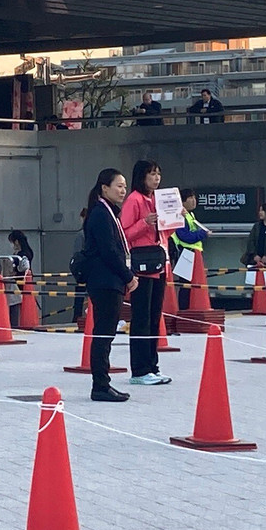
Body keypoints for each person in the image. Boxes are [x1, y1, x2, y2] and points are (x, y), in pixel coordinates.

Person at [82, 168, 138, 402]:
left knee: (106, 334)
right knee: (103, 334)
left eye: (125, 186)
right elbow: (109, 252)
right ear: (104, 188)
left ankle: (104, 383)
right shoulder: (100, 214)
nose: (123, 190)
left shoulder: (109, 213)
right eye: (119, 186)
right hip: (105, 281)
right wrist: (128, 276)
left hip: (109, 280)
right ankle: (100, 385)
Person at [119, 160, 171, 386]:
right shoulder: (134, 200)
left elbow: (166, 232)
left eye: (158, 174)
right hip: (142, 266)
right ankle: (139, 369)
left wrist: (173, 218)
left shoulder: (158, 199)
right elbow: (124, 234)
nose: (156, 178)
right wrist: (144, 223)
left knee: (153, 317)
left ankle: (152, 366)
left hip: (159, 264)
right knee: (141, 318)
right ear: (141, 177)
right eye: (151, 174)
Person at [170, 189, 212, 311]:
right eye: (191, 198)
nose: (194, 201)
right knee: (186, 284)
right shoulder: (181, 215)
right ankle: (184, 310)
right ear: (182, 201)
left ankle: (188, 308)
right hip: (185, 252)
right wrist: (202, 234)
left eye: (195, 197)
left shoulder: (190, 215)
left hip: (193, 253)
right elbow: (185, 236)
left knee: (191, 284)